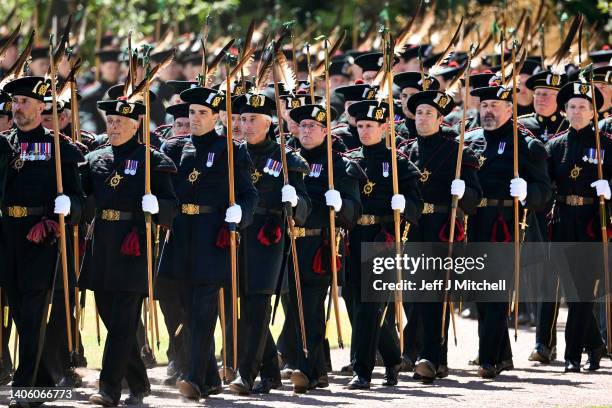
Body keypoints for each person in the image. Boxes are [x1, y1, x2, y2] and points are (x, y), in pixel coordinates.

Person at [0, 76, 85, 407]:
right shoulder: (3, 144)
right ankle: (45, 381)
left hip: (41, 236)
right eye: (14, 103)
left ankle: (25, 388)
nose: (18, 109)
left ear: (40, 106)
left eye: (24, 103)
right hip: (8, 236)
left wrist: (68, 208)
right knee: (21, 313)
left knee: (34, 313)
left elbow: (79, 200)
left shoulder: (59, 147)